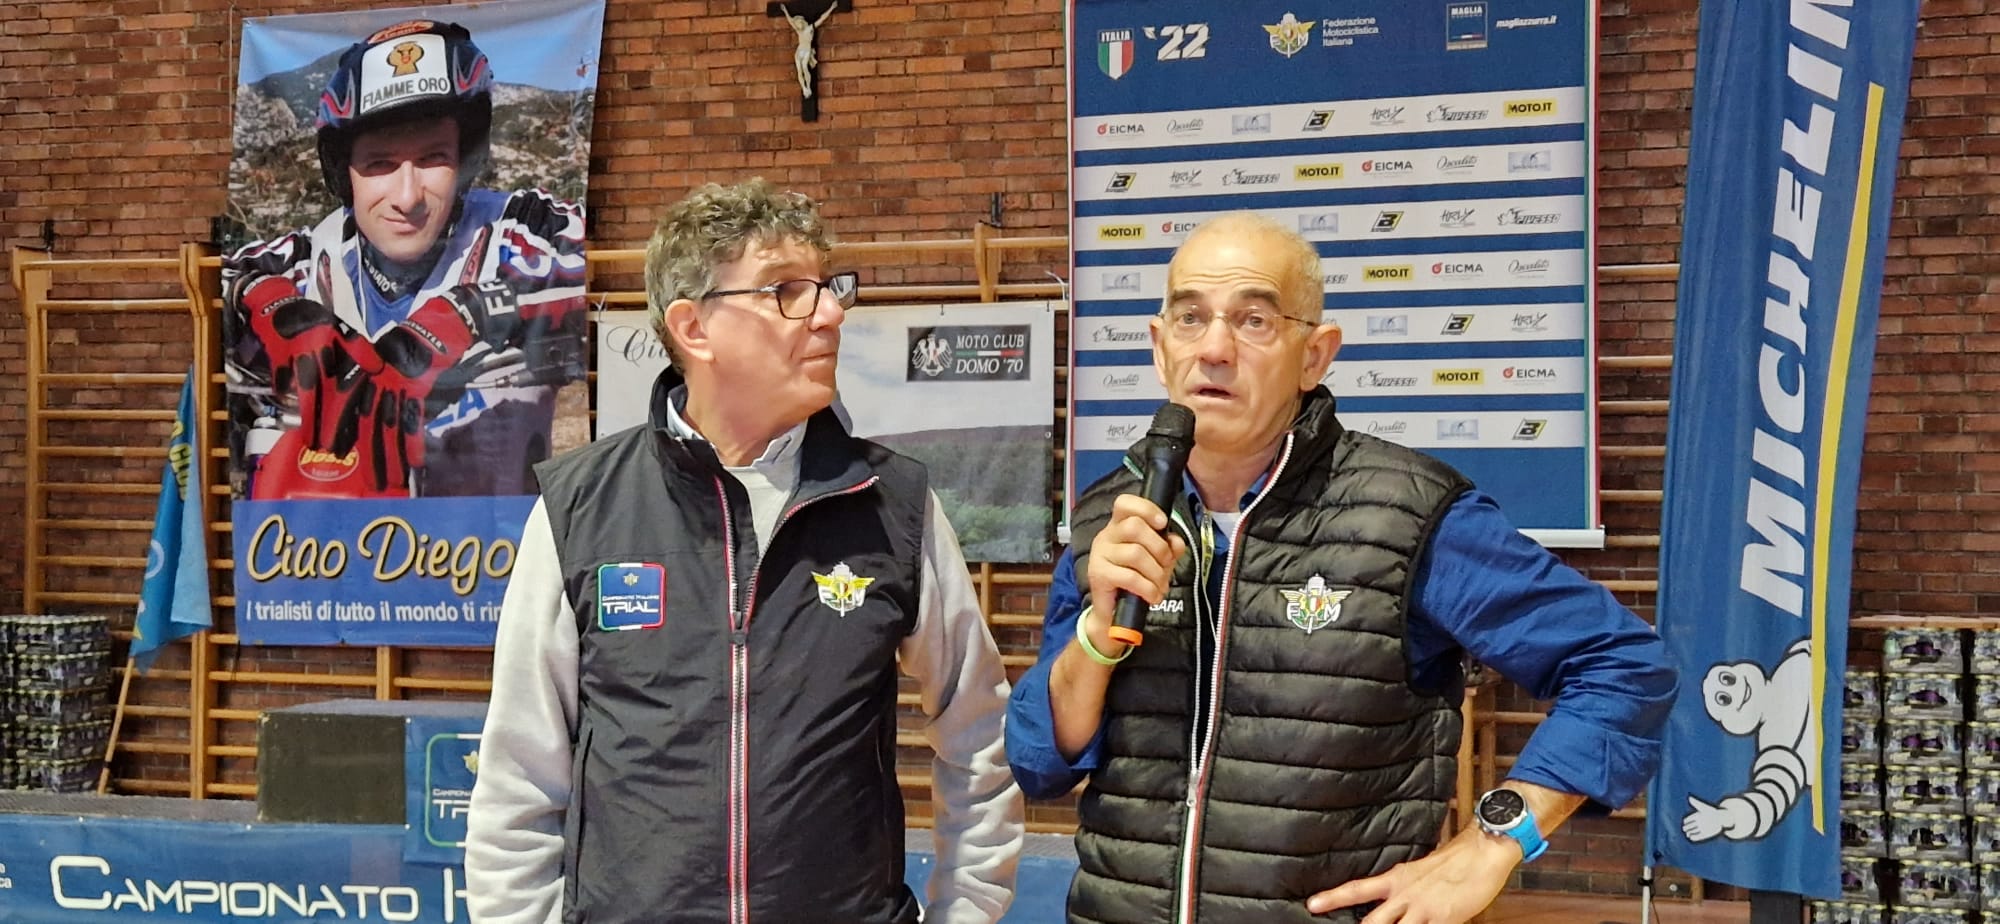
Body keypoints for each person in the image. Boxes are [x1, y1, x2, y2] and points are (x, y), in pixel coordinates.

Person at [1006, 212, 1676, 924]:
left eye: (1254, 320)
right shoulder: (1111, 517)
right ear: (1159, 345)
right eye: (1190, 318)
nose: (1215, 349)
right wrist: (1095, 638)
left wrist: (1496, 839)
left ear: (1314, 356)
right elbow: (1040, 762)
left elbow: (1625, 667)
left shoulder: (1409, 515)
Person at [465, 179, 1025, 924]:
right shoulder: (580, 507)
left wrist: (966, 911)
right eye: (787, 291)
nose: (830, 314)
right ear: (694, 328)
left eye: (827, 288)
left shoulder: (895, 503)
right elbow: (520, 778)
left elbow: (981, 735)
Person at [222, 19, 588, 501]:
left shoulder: (522, 229)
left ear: (466, 159)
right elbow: (215, 283)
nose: (407, 196)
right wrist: (264, 301)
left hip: (490, 543)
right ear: (344, 174)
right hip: (321, 543)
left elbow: (600, 261)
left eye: (434, 158)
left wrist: (468, 310)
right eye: (380, 164)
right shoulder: (303, 262)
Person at [782, 2, 837, 97]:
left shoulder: (810, 29)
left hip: (807, 50)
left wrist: (831, 8)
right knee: (799, 70)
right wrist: (785, 11)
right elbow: (790, 21)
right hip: (799, 51)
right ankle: (804, 88)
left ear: (802, 22)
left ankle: (808, 86)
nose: (798, 25)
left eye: (799, 22)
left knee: (804, 67)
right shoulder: (799, 31)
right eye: (797, 23)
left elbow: (822, 19)